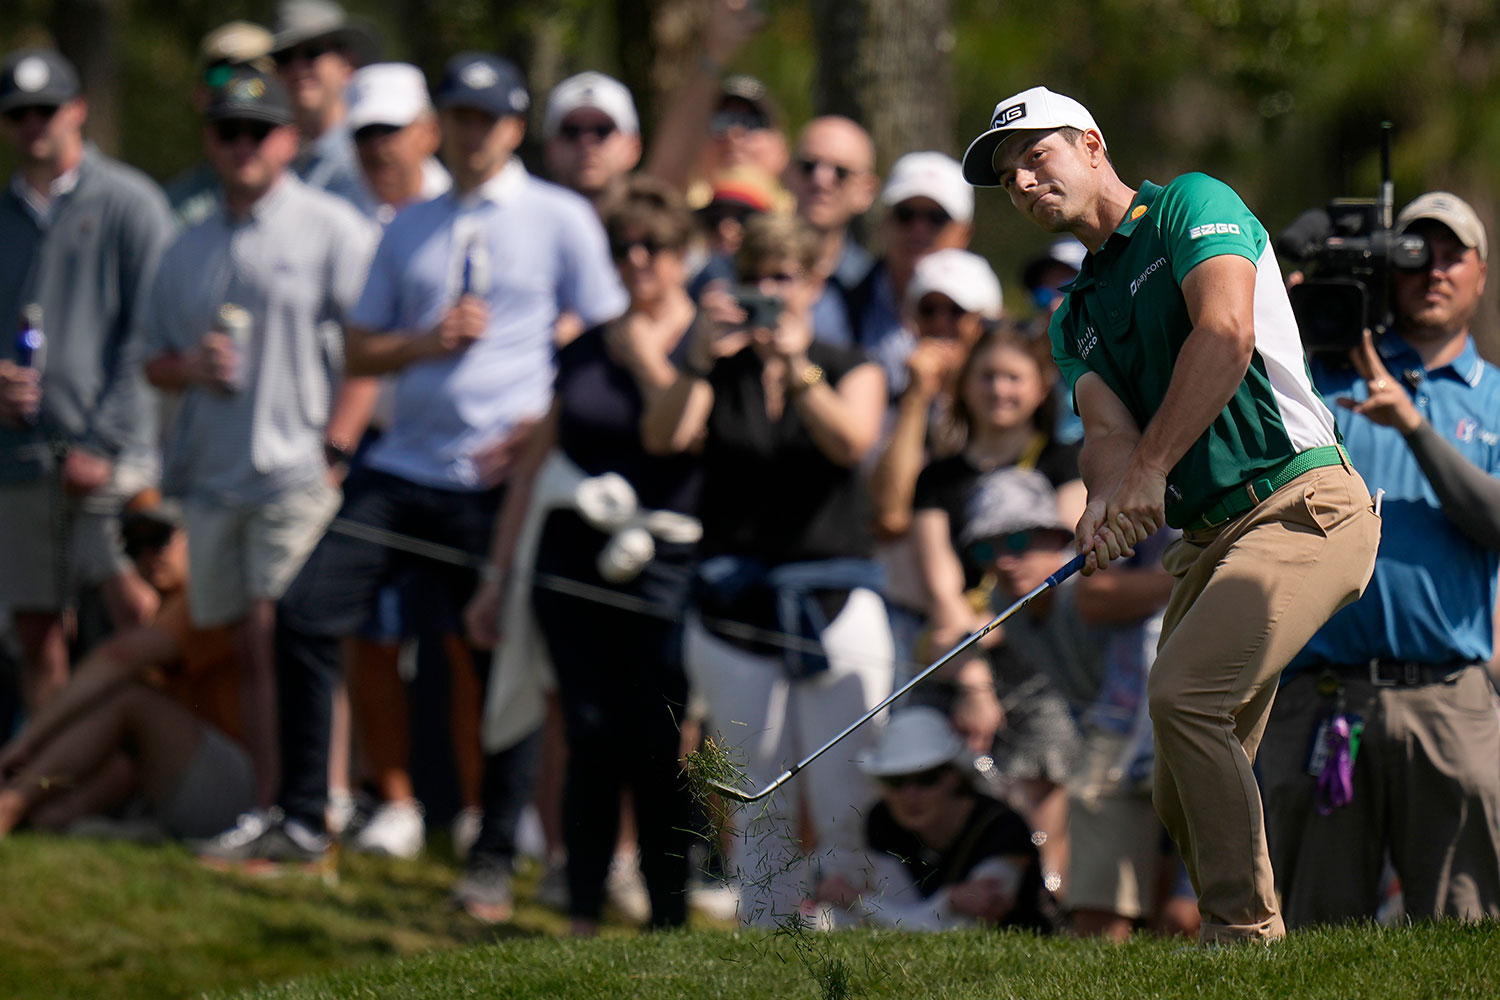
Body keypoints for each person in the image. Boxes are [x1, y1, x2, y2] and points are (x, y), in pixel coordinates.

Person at [194, 54, 627, 926]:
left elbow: (605, 329)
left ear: (514, 126)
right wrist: (425, 344)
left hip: (496, 479)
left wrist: (547, 413)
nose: (476, 133)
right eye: (461, 117)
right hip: (404, 467)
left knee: (501, 661)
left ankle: (494, 858)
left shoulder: (559, 217)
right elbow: (359, 351)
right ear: (441, 128)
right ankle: (306, 820)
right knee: (307, 611)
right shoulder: (409, 225)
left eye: (491, 117)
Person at [961, 85, 1381, 943]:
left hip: (1302, 502)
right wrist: (1110, 498)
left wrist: (1152, 469)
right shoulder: (1074, 313)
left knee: (1186, 699)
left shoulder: (1192, 203)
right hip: (1208, 541)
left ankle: (1245, 939)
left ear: (1091, 141)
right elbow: (1105, 432)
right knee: (1177, 777)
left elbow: (1223, 335)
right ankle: (1244, 930)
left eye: (1036, 157)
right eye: (1008, 178)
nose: (1025, 183)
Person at [466, 176, 701, 934]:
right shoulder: (582, 349)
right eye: (623, 247)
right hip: (571, 561)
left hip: (667, 564)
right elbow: (536, 467)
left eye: (654, 248)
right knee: (590, 737)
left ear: (683, 255)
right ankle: (582, 913)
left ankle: (668, 920)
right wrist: (497, 579)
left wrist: (643, 358)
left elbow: (690, 437)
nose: (638, 262)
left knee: (660, 744)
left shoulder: (710, 341)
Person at [643, 212, 892, 926]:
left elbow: (851, 441)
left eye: (785, 279)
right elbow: (665, 437)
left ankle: (860, 922)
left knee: (849, 780)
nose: (769, 294)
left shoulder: (849, 363)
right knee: (756, 791)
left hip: (834, 598)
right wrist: (694, 356)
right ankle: (767, 929)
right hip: (733, 607)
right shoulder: (716, 369)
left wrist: (796, 364)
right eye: (755, 279)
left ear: (814, 284)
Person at [1261, 191, 1500, 927]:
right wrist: (1283, 287)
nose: (1434, 270)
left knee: (1465, 933)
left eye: (1452, 254)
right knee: (1312, 936)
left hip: (1449, 699)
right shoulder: (1323, 383)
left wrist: (1415, 427)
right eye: (1415, 253)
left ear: (1482, 275)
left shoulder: (1494, 399)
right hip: (1322, 700)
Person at [142, 66, 377, 812]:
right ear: (209, 140)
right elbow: (151, 362)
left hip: (297, 472)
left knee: (291, 639)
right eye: (228, 131)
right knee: (249, 648)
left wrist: (336, 450)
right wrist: (189, 366)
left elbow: (371, 353)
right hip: (214, 478)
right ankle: (274, 802)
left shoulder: (332, 227)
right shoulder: (185, 247)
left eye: (259, 130)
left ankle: (319, 801)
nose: (244, 144)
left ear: (288, 139)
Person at [0, 48, 175, 711]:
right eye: (18, 114)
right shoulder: (3, 217)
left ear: (77, 111)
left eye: (46, 110)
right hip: (20, 458)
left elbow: (149, 334)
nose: (33, 126)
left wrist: (103, 442)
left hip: (115, 460)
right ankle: (48, 787)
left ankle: (151, 783)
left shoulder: (130, 202)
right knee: (37, 628)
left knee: (137, 615)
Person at [0, 497, 255, 846]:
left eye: (160, 538)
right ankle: (50, 813)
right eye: (134, 547)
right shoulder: (167, 610)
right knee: (120, 706)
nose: (149, 555)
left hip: (248, 793)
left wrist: (26, 742)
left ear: (194, 535)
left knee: (128, 699)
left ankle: (10, 805)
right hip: (212, 780)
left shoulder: (208, 596)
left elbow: (118, 656)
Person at [870, 249, 1004, 668]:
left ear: (982, 323)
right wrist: (916, 398)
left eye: (956, 312)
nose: (941, 325)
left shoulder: (1006, 411)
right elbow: (890, 516)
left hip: (993, 616)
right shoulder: (893, 408)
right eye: (929, 311)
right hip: (906, 615)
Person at [813, 707, 1061, 932]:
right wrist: (950, 901)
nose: (910, 796)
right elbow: (904, 920)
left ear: (954, 776)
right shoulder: (882, 819)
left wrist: (856, 901)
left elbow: (962, 929)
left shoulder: (1003, 828)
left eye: (926, 779)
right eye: (895, 782)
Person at [847, 151, 974, 399]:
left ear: (964, 232)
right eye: (905, 214)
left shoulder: (987, 313)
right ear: (885, 222)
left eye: (936, 218)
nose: (918, 229)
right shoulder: (840, 300)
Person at [165, 20, 277, 230]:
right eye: (219, 75)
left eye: (249, 74)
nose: (233, 90)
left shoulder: (318, 185)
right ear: (199, 96)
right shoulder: (175, 204)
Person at [269, 0, 380, 205]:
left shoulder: (373, 152)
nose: (298, 68)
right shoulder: (277, 163)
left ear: (347, 63)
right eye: (284, 57)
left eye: (312, 52)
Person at [781, 115, 879, 348]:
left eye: (841, 172)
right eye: (808, 167)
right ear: (787, 174)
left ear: (866, 192)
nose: (821, 179)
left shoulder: (876, 287)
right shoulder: (741, 266)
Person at [542, 71, 642, 211]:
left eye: (602, 130)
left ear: (634, 147)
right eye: (572, 131)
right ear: (549, 148)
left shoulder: (661, 228)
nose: (586, 142)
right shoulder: (524, 225)